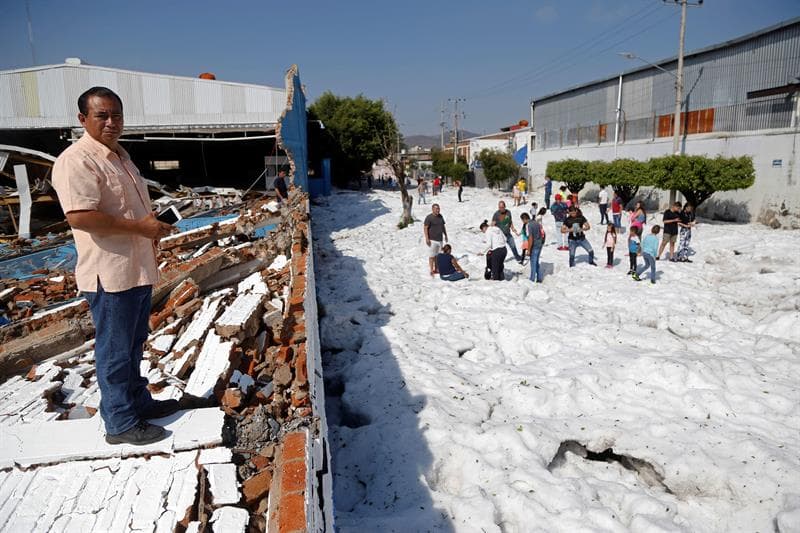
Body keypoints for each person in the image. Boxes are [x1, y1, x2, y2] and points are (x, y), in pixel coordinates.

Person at [52, 87, 177, 446]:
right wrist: (140, 227)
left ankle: (139, 403)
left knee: (134, 343)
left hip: (136, 268)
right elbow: (80, 216)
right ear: (82, 119)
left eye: (116, 115)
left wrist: (151, 225)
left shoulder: (121, 157)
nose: (111, 122)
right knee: (114, 351)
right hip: (109, 274)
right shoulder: (77, 160)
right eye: (102, 115)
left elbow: (125, 211)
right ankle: (120, 422)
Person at [423, 203, 448, 276]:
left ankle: (436, 269)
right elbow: (425, 228)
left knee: (438, 256)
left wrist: (445, 235)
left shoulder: (440, 216)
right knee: (432, 256)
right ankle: (431, 270)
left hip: (440, 239)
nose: (438, 210)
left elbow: (443, 226)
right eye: (436, 209)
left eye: (438, 209)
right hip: (432, 240)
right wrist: (427, 238)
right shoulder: (429, 217)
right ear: (432, 209)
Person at [523, 213, 545, 283]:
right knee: (536, 262)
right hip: (539, 244)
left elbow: (530, 238)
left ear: (524, 219)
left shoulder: (529, 225)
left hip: (534, 245)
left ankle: (532, 279)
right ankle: (539, 278)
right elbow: (542, 233)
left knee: (533, 263)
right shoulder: (536, 223)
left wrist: (529, 250)